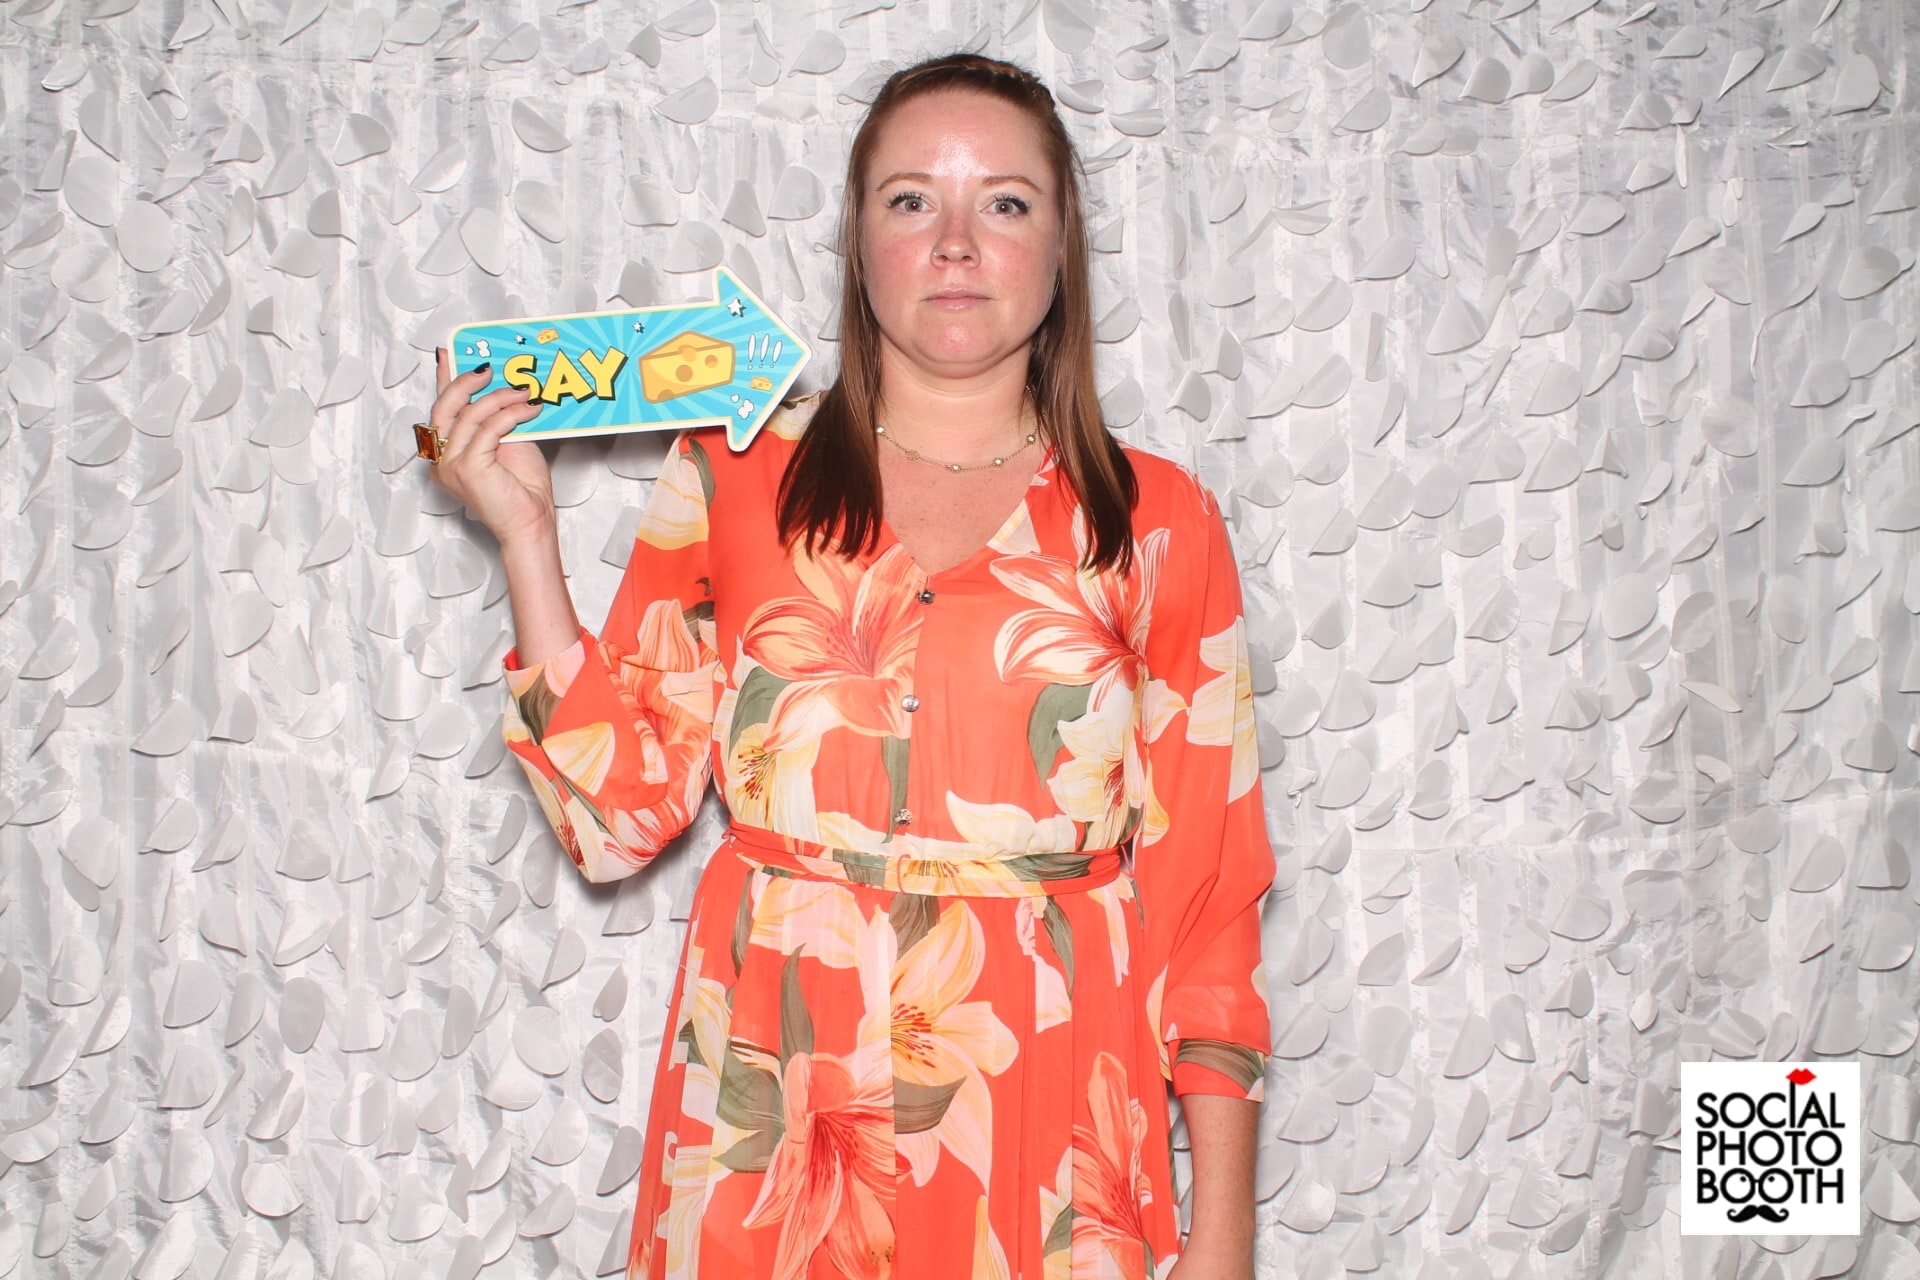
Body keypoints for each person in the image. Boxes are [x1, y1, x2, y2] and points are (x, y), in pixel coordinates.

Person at [420, 52, 1273, 1280]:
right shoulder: (737, 475)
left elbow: (1210, 903)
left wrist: (1224, 1234)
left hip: (1046, 1126)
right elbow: (618, 817)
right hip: (777, 1112)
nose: (957, 242)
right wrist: (527, 540)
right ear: (858, 241)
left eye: (1007, 202)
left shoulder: (1157, 522)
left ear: (1062, 247)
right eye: (912, 198)